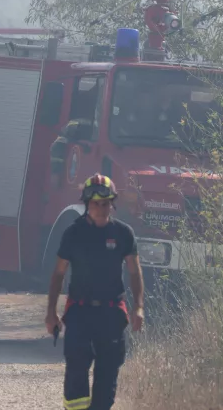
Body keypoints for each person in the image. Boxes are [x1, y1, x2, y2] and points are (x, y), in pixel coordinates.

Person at [46, 174, 145, 410]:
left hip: (111, 314)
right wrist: (51, 312)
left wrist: (138, 307)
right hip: (79, 311)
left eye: (106, 203)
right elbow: (58, 274)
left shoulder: (124, 234)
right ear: (86, 204)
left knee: (108, 376)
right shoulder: (73, 233)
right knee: (76, 373)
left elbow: (134, 272)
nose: (101, 209)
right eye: (95, 204)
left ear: (113, 204)